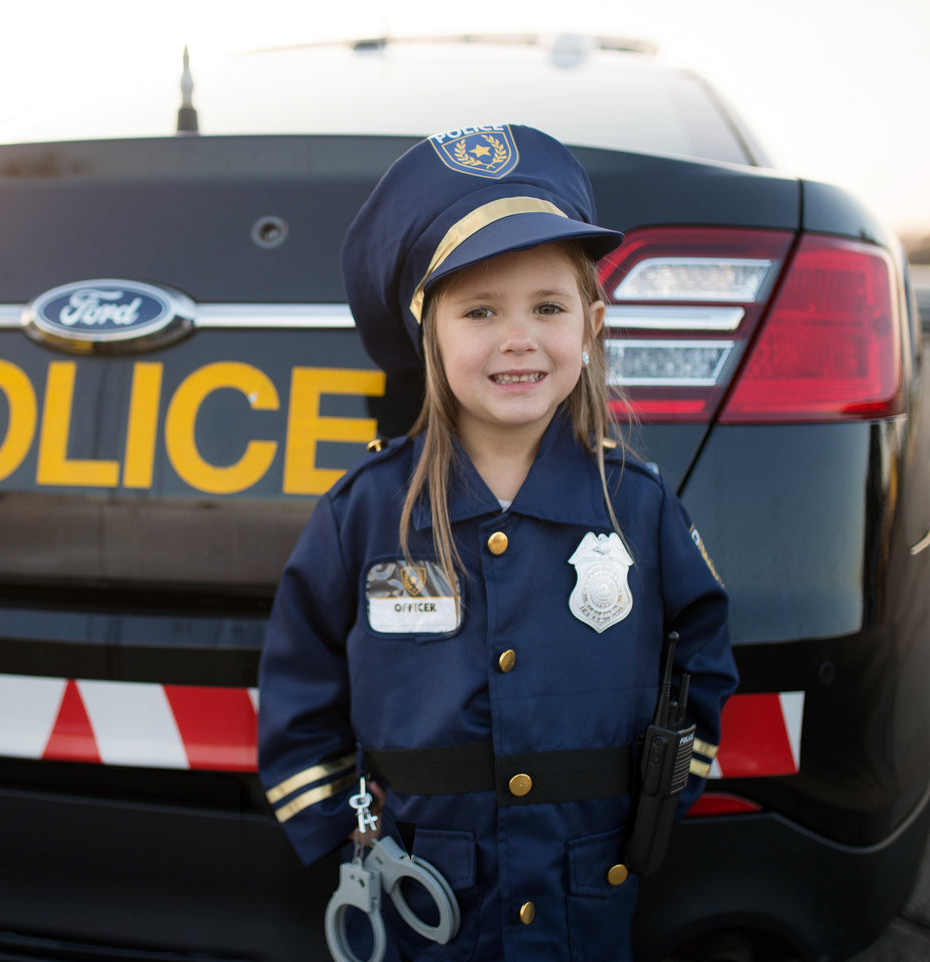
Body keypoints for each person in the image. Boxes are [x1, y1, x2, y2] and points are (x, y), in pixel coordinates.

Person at [257, 124, 739, 962]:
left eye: (546, 308)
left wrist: (658, 803)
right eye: (480, 310)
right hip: (417, 892)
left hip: (587, 888)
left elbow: (703, 659)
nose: (518, 338)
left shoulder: (639, 506)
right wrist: (345, 840)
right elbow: (299, 688)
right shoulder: (365, 514)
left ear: (590, 323)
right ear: (427, 335)